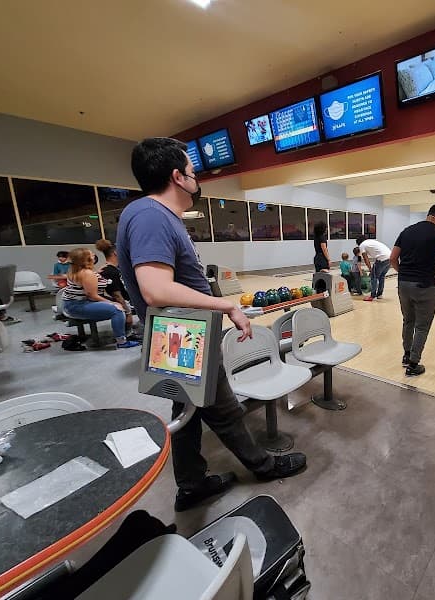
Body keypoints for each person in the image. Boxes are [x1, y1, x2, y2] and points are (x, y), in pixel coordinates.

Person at [117, 137, 306, 512]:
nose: (196, 179)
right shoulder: (151, 216)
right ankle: (264, 466)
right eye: (192, 172)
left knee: (186, 414)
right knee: (222, 410)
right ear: (177, 177)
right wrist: (225, 305)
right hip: (183, 336)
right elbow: (155, 289)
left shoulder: (149, 214)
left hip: (177, 335)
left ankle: (191, 485)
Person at [389, 203, 435, 377]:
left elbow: (393, 258)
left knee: (408, 321)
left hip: (403, 284)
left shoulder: (407, 231)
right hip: (424, 286)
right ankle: (413, 364)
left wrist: (404, 272)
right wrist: (428, 271)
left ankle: (406, 355)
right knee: (422, 326)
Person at [62, 247, 141, 349]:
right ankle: (122, 341)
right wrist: (112, 303)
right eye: (91, 254)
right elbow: (92, 296)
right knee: (117, 310)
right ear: (85, 259)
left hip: (71, 303)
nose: (94, 255)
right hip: (78, 305)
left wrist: (96, 273)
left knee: (118, 305)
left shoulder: (76, 270)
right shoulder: (87, 274)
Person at [95, 239, 136, 336]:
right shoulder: (109, 271)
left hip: (127, 300)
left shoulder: (116, 268)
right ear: (116, 253)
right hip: (122, 303)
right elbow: (116, 295)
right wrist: (128, 312)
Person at [356, 235, 391, 302]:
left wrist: (370, 268)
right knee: (382, 276)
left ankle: (372, 296)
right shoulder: (371, 241)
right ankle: (379, 295)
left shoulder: (362, 245)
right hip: (390, 257)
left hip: (382, 258)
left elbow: (365, 258)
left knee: (373, 277)